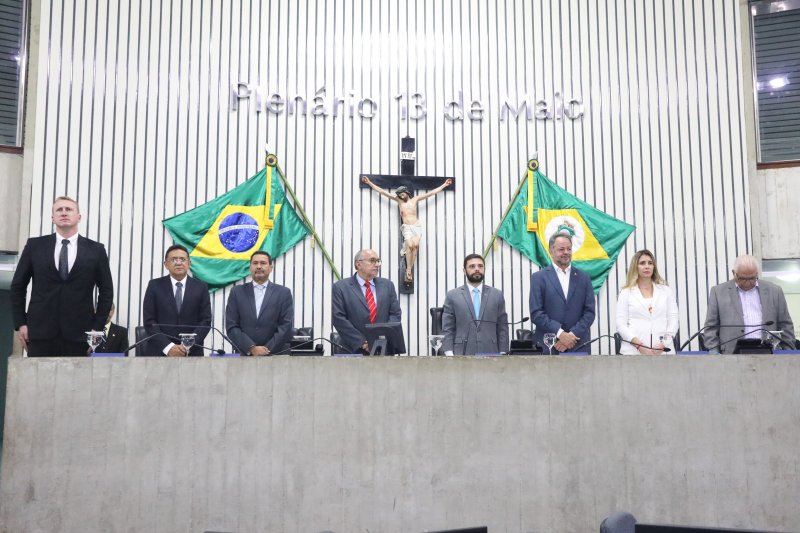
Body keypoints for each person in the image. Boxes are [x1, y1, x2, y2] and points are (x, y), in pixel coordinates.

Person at [10, 196, 114, 357]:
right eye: (59, 210)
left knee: (76, 382)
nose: (64, 213)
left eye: (69, 209)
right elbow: (18, 286)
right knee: (38, 381)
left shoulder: (96, 250)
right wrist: (21, 323)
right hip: (39, 333)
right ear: (52, 218)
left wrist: (97, 330)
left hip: (81, 334)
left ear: (79, 217)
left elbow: (107, 292)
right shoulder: (34, 246)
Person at [361, 176, 453, 283]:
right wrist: (369, 183)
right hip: (407, 227)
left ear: (406, 192)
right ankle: (409, 268)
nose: (401, 196)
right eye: (399, 194)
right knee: (410, 245)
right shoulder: (399, 201)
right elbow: (382, 191)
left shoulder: (415, 199)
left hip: (416, 226)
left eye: (402, 193)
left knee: (415, 246)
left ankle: (409, 268)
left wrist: (445, 185)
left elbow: (431, 193)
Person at [702, 254, 795, 354]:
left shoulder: (775, 291)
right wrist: (713, 351)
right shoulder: (718, 292)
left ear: (757, 274)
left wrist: (788, 352)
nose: (747, 283)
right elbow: (710, 327)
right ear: (734, 273)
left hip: (769, 354)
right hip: (730, 355)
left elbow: (785, 324)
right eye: (742, 278)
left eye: (752, 278)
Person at [529, 232, 596, 353]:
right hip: (549, 345)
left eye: (569, 249)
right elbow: (536, 313)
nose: (566, 252)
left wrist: (571, 336)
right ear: (551, 251)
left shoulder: (584, 278)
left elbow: (589, 312)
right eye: (561, 249)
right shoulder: (538, 278)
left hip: (578, 344)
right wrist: (560, 334)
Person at [142, 244, 211, 356]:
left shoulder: (201, 287)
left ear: (189, 263)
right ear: (166, 264)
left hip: (192, 353)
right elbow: (149, 321)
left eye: (182, 259)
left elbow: (205, 321)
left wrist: (186, 345)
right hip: (160, 353)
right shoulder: (154, 286)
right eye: (174, 259)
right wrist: (169, 347)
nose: (178, 263)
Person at [332, 249, 402, 354]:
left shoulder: (388, 285)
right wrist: (363, 342)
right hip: (353, 351)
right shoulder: (341, 287)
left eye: (378, 261)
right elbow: (338, 318)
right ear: (358, 264)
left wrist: (381, 339)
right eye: (372, 260)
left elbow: (395, 314)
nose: (377, 264)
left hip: (384, 350)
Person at [225, 251, 294, 356]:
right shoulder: (236, 292)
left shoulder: (283, 293)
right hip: (244, 355)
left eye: (263, 263)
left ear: (271, 268)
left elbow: (286, 326)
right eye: (255, 263)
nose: (259, 266)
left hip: (276, 355)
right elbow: (232, 326)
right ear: (250, 267)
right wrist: (251, 348)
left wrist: (266, 350)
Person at [441, 253, 509, 355]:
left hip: (491, 352)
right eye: (472, 266)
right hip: (461, 353)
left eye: (480, 266)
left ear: (484, 269)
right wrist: (449, 353)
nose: (477, 269)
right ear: (464, 271)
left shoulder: (497, 295)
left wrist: (503, 352)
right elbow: (448, 328)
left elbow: (502, 327)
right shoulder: (452, 295)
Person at [616, 250, 679, 355]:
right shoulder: (626, 292)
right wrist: (639, 346)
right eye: (642, 263)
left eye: (650, 263)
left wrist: (664, 344)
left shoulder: (666, 291)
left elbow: (673, 320)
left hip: (663, 352)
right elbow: (621, 325)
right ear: (635, 267)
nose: (647, 266)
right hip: (633, 352)